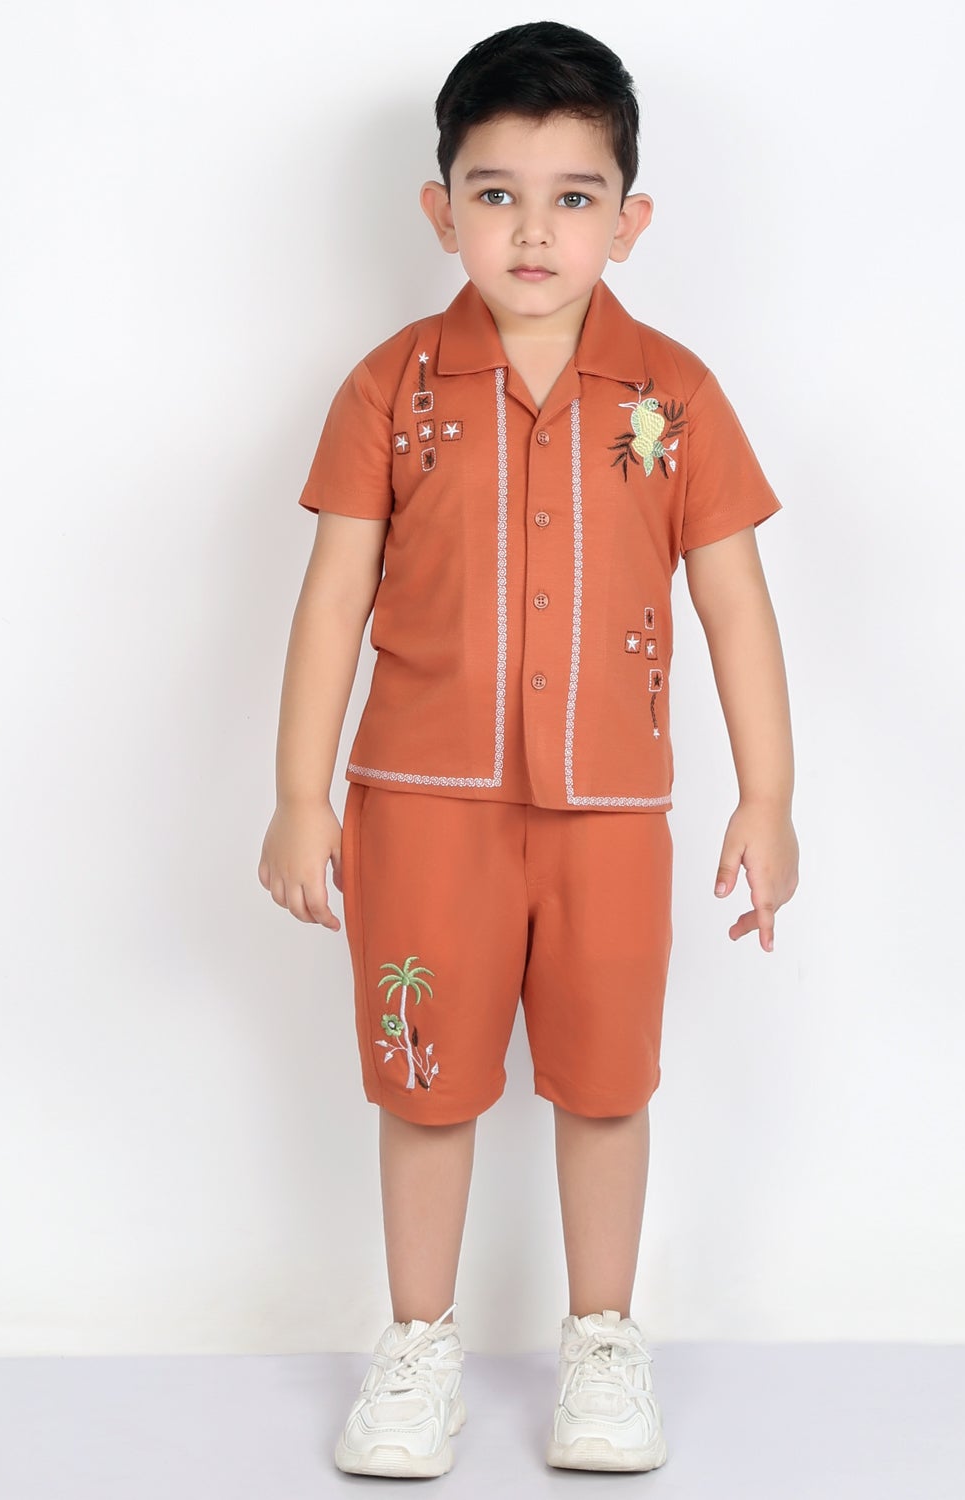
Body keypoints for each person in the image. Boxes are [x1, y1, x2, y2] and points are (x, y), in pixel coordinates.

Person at [258, 19, 798, 1480]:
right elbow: (332, 599)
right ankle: (417, 1346)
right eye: (496, 194)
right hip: (420, 809)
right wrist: (299, 795)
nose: (535, 232)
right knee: (425, 1083)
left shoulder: (676, 398)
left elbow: (735, 604)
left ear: (630, 218)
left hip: (612, 813)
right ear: (443, 212)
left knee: (608, 1085)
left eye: (573, 197)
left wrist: (768, 796)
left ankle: (604, 1344)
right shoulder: (391, 389)